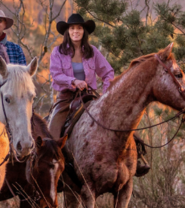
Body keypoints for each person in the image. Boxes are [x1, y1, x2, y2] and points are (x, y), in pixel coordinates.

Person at [49, 13, 150, 176]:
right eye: (72, 28)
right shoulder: (58, 52)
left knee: (122, 122)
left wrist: (106, 94)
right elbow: (56, 74)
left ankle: (136, 158)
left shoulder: (92, 52)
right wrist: (73, 81)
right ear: (67, 31)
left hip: (89, 96)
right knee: (52, 132)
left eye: (79, 28)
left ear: (84, 31)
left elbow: (108, 72)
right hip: (66, 98)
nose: (76, 31)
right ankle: (53, 168)